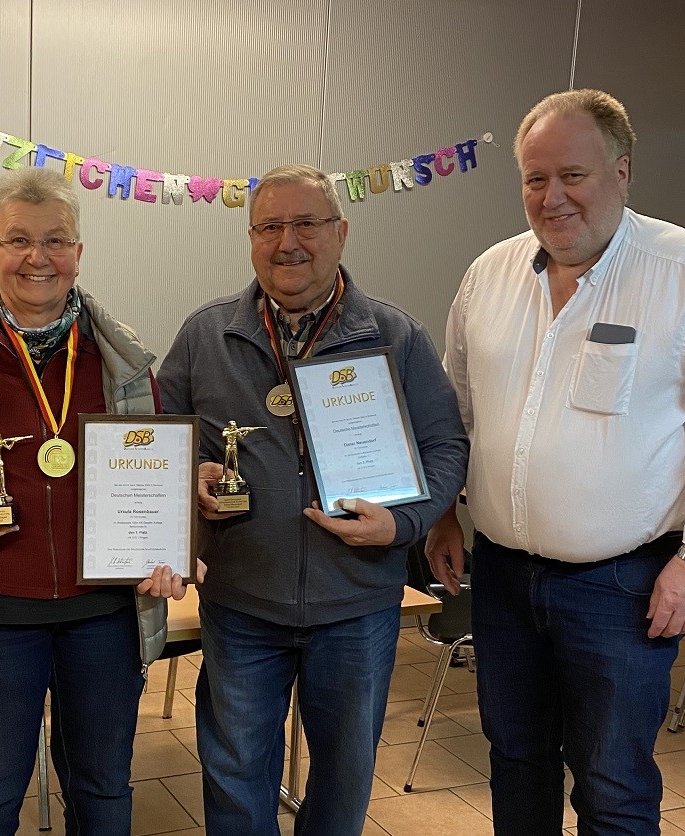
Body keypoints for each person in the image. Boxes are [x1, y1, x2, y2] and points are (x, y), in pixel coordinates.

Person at [426, 89, 685, 835]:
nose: (552, 198)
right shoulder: (491, 273)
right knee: (516, 758)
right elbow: (456, 409)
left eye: (572, 175)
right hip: (504, 575)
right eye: (534, 179)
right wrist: (444, 511)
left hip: (625, 584)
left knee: (612, 782)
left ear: (622, 171)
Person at [157, 164, 468, 835]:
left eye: (306, 224)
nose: (287, 241)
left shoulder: (397, 336)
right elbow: (161, 439)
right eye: (269, 225)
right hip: (242, 603)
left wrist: (404, 523)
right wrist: (191, 478)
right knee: (236, 770)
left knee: (344, 774)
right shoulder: (205, 335)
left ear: (340, 233)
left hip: (357, 606)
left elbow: (446, 447)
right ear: (250, 238)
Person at [0, 166, 186, 835]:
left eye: (55, 240)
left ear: (78, 253)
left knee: (104, 788)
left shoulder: (124, 354)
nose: (37, 257)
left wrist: (165, 552)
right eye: (17, 240)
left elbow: (155, 474)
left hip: (104, 612)